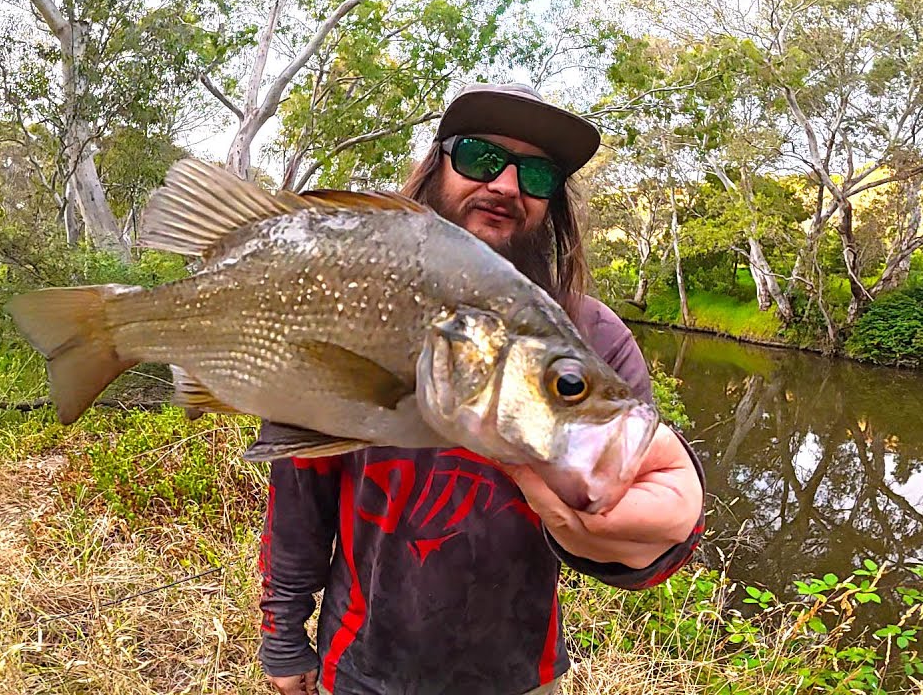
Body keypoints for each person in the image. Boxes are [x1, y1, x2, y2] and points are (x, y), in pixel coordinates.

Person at [250, 82, 707, 695]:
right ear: (437, 164)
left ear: (554, 205)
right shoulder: (350, 305)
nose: (508, 186)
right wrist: (283, 634)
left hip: (519, 677)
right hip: (359, 669)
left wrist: (646, 541)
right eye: (481, 158)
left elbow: (635, 523)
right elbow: (299, 491)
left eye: (538, 175)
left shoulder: (592, 336)